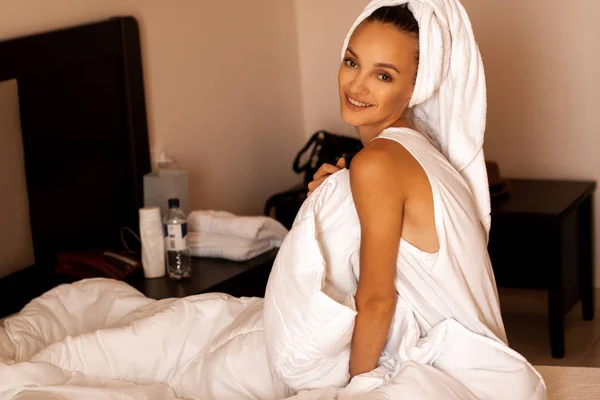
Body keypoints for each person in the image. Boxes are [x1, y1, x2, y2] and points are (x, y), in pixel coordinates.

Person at [308, 3, 507, 380]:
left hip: (460, 374)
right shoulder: (412, 149)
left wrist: (355, 386)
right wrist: (332, 199)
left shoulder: (379, 162)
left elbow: (378, 301)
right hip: (482, 362)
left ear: (416, 87)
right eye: (352, 63)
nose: (357, 86)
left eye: (383, 76)